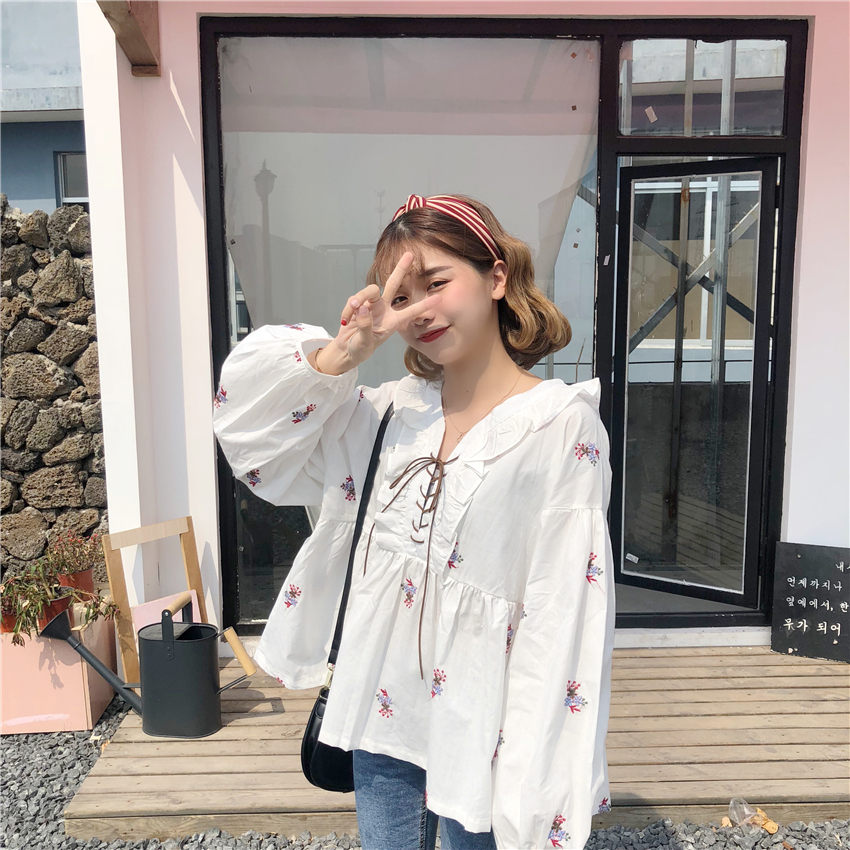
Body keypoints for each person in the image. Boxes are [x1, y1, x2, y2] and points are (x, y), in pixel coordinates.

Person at [212, 194, 615, 850]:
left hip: (487, 731)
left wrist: (535, 781)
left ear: (496, 277)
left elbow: (562, 613)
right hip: (383, 716)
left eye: (436, 283)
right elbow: (250, 438)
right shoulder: (387, 416)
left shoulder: (559, 426)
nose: (420, 309)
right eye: (401, 296)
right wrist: (344, 353)